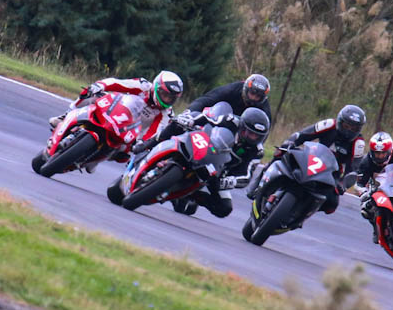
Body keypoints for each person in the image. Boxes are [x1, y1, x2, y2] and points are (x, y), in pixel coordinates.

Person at [48, 71, 184, 167]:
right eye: (164, 94)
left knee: (123, 155)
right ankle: (66, 115)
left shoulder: (166, 114)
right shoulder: (143, 86)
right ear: (156, 86)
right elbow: (117, 83)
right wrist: (100, 86)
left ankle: (94, 160)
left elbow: (154, 133)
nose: (167, 99)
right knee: (90, 94)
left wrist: (141, 144)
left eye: (171, 98)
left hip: (131, 134)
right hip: (115, 112)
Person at [251, 104, 367, 217]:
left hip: (331, 173)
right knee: (282, 155)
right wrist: (290, 143)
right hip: (311, 158)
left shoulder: (359, 143)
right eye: (346, 126)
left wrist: (343, 184)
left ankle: (302, 214)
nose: (348, 131)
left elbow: (353, 170)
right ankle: (259, 183)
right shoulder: (329, 124)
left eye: (353, 128)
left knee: (332, 204)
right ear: (340, 121)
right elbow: (303, 134)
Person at [167, 106, 270, 218]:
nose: (253, 137)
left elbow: (246, 176)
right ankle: (156, 146)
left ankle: (193, 194)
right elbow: (209, 119)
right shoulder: (231, 121)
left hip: (217, 173)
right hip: (205, 148)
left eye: (257, 136)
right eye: (250, 133)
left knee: (224, 208)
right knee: (178, 126)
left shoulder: (257, 152)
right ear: (242, 127)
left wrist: (230, 181)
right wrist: (192, 121)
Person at [156, 73, 271, 141]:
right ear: (245, 89)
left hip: (238, 135)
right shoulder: (233, 89)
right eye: (252, 93)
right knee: (180, 125)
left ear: (263, 98)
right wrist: (188, 113)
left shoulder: (264, 110)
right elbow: (206, 99)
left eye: (258, 96)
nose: (253, 98)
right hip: (216, 121)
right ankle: (155, 143)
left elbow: (264, 133)